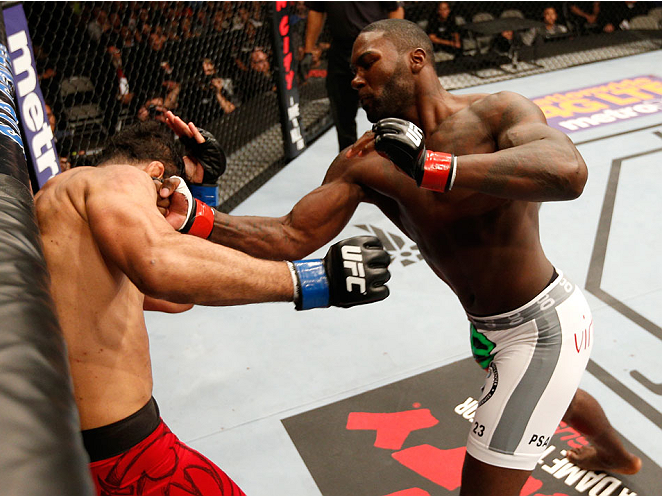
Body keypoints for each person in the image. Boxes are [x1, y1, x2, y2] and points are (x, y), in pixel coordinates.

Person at [161, 18, 642, 495]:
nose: (355, 79)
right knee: (556, 397)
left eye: (367, 63)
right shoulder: (367, 162)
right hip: (486, 326)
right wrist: (196, 213)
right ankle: (616, 453)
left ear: (417, 60)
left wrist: (434, 166)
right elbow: (290, 236)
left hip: (541, 327)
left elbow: (567, 172)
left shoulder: (497, 113)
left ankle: (612, 450)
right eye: (351, 70)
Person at [34, 120, 391, 495]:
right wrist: (313, 281)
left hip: (72, 461)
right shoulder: (117, 179)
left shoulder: (65, 211)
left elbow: (180, 297)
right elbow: (160, 261)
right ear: (157, 173)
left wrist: (201, 197)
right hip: (128, 459)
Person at [299, 1, 404, 151]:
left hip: (374, 49)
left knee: (387, 108)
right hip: (341, 51)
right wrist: (309, 49)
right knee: (341, 111)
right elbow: (316, 10)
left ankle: (395, 156)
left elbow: (395, 9)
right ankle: (349, 161)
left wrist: (392, 46)